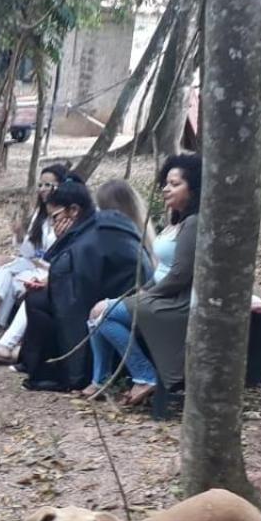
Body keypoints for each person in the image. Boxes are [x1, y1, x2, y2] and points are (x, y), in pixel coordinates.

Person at [85, 155, 201, 407]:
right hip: (157, 293)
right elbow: (163, 269)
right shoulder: (176, 222)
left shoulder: (193, 223)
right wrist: (144, 290)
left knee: (102, 314)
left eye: (175, 183)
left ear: (193, 188)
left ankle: (145, 376)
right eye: (166, 183)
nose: (166, 188)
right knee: (97, 314)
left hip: (175, 302)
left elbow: (180, 275)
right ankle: (101, 379)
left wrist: (148, 295)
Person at [17, 181, 150, 392]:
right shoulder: (89, 228)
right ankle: (43, 370)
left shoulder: (98, 231)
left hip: (121, 297)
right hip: (105, 294)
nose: (53, 225)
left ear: (74, 210)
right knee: (37, 299)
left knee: (42, 302)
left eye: (55, 217)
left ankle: (74, 374)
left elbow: (79, 289)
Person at [0, 165, 77, 350]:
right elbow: (29, 252)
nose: (42, 189)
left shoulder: (69, 214)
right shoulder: (40, 215)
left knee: (13, 281)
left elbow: (61, 254)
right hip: (34, 263)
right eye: (40, 185)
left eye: (48, 185)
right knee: (1, 266)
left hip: (51, 269)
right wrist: (19, 234)